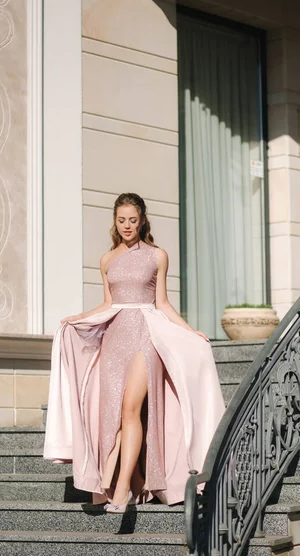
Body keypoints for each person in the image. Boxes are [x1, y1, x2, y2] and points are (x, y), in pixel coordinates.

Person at [44, 193, 225, 512]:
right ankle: (122, 482)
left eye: (132, 219)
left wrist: (189, 331)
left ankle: (123, 488)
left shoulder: (157, 255)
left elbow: (163, 303)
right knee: (111, 414)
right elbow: (109, 304)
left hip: (147, 334)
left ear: (142, 220)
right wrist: (79, 318)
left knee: (130, 408)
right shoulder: (106, 259)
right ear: (115, 222)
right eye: (121, 220)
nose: (127, 225)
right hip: (115, 338)